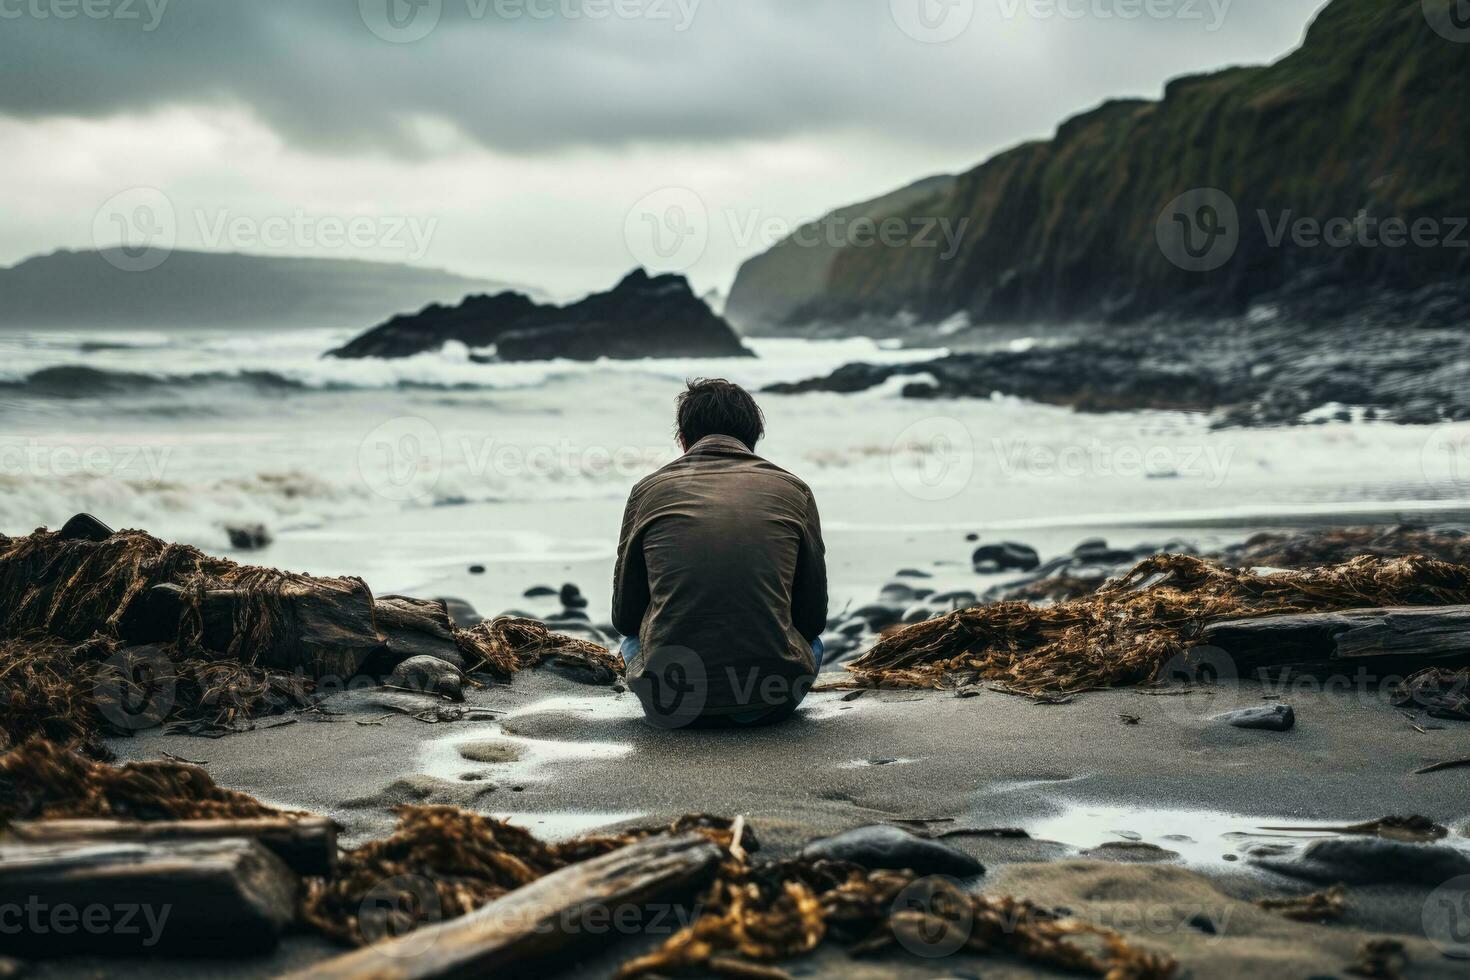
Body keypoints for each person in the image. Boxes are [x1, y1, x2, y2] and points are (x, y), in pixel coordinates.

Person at [612, 378, 827, 728]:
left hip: (671, 701)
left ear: (683, 440)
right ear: (753, 440)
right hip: (771, 698)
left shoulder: (647, 491)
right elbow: (812, 619)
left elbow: (624, 618)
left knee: (632, 641)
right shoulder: (794, 490)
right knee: (812, 644)